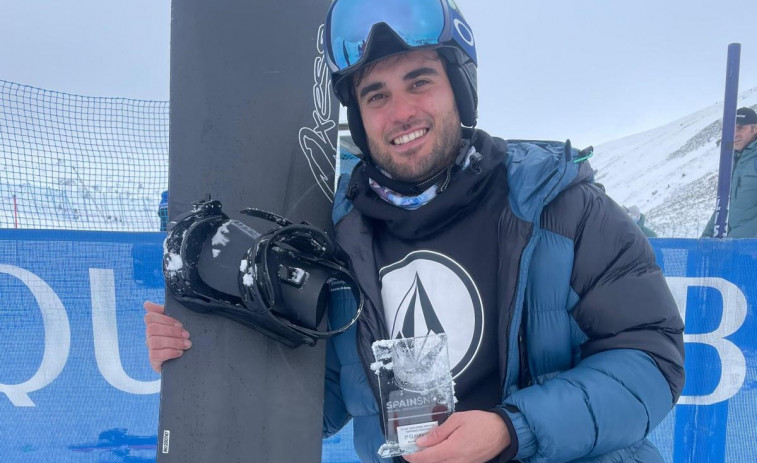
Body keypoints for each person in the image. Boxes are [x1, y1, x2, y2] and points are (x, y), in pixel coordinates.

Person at [145, 1, 685, 461]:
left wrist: (509, 430)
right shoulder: (339, 244)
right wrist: (206, 352)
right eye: (376, 95)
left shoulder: (561, 207)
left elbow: (650, 361)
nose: (400, 112)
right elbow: (316, 401)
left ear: (459, 89)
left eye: (419, 82)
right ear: (358, 117)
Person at [702, 107, 757, 238]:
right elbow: (723, 206)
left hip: (749, 249)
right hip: (734, 247)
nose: (734, 134)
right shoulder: (731, 162)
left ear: (754, 129)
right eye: (731, 128)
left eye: (740, 128)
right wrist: (706, 238)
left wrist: (744, 241)